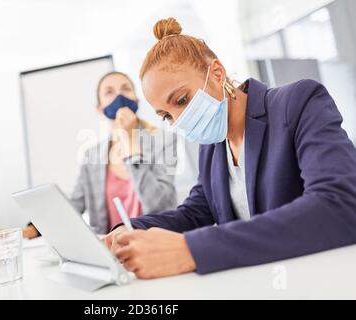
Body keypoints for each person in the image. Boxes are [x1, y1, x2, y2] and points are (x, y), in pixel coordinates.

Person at [104, 18, 356, 279]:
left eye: (181, 100)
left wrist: (191, 249)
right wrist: (129, 229)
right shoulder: (213, 146)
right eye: (166, 115)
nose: (179, 120)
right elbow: (193, 213)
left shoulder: (297, 102)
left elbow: (339, 204)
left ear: (217, 73)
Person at [23, 71, 178, 238]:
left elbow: (159, 204)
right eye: (109, 92)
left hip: (155, 242)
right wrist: (35, 228)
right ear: (99, 108)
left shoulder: (163, 141)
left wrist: (131, 140)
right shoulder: (92, 155)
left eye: (126, 89)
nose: (119, 95)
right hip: (111, 249)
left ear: (136, 100)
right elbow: (75, 204)